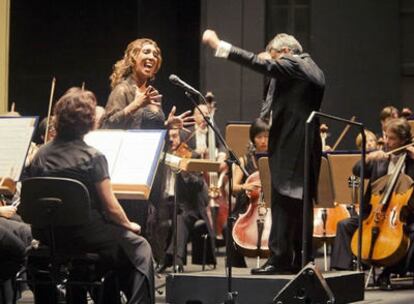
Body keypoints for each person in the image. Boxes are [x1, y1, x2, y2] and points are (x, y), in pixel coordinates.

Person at [203, 30, 325, 274]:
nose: (273, 64)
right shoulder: (309, 66)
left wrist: (219, 45)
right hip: (302, 143)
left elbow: (257, 62)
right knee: (295, 203)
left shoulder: (293, 63)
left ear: (285, 52)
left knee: (283, 201)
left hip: (292, 144)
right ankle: (299, 260)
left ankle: (282, 259)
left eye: (274, 57)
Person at [27, 87, 154, 304]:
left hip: (49, 235)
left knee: (112, 252)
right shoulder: (93, 157)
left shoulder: (40, 154)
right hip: (86, 236)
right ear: (89, 122)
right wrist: (128, 224)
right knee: (140, 248)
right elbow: (112, 208)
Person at [330, 118, 414, 289]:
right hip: (373, 213)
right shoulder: (381, 157)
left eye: (392, 139)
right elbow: (356, 171)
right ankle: (343, 274)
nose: (387, 142)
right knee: (344, 225)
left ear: (404, 140)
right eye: (386, 137)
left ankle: (387, 273)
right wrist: (368, 158)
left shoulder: (411, 161)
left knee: (408, 237)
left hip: (404, 215)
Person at [101, 38, 192, 130]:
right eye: (146, 52)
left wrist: (167, 125)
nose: (152, 57)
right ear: (133, 58)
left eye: (155, 55)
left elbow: (148, 128)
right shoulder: (122, 89)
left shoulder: (152, 93)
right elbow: (106, 126)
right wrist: (135, 105)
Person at [157, 128, 215, 272]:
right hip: (166, 203)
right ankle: (166, 259)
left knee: (180, 218)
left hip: (190, 207)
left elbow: (199, 184)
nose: (172, 140)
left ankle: (174, 260)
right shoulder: (163, 157)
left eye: (175, 136)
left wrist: (185, 172)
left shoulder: (191, 155)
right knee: (153, 218)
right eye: (169, 137)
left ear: (182, 137)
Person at [230, 118, 269, 267]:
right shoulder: (244, 161)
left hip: (270, 207)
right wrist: (246, 186)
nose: (263, 141)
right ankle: (237, 267)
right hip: (247, 208)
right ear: (253, 139)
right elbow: (233, 186)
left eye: (267, 136)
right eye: (259, 137)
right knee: (230, 226)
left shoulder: (274, 160)